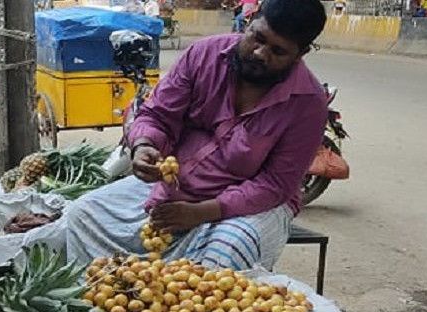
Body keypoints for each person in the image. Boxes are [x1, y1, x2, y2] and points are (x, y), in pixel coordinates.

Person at [66, 0, 329, 271]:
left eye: (278, 51)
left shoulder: (308, 104)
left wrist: (203, 212)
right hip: (179, 183)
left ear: (301, 54)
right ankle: (100, 300)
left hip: (255, 202)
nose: (260, 53)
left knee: (225, 255)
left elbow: (275, 185)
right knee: (82, 214)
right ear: (249, 21)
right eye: (257, 38)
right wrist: (144, 145)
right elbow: (158, 115)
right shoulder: (203, 55)